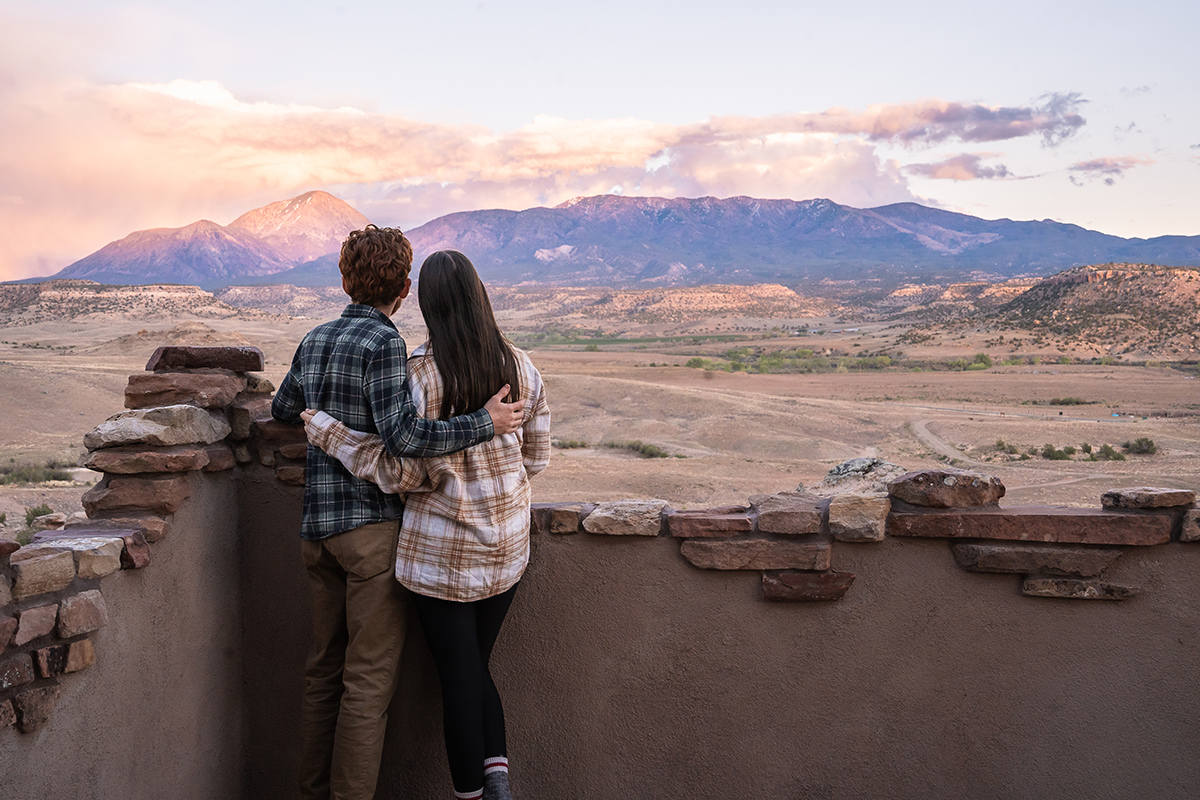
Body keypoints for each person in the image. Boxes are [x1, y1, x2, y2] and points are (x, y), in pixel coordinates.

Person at [272, 227, 527, 800]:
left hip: (317, 530)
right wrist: (487, 422)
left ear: (343, 280)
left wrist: (321, 415)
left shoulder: (315, 337)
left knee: (321, 676)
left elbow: (284, 406)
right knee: (366, 684)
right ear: (404, 288)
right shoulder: (387, 344)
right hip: (370, 534)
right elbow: (405, 437)